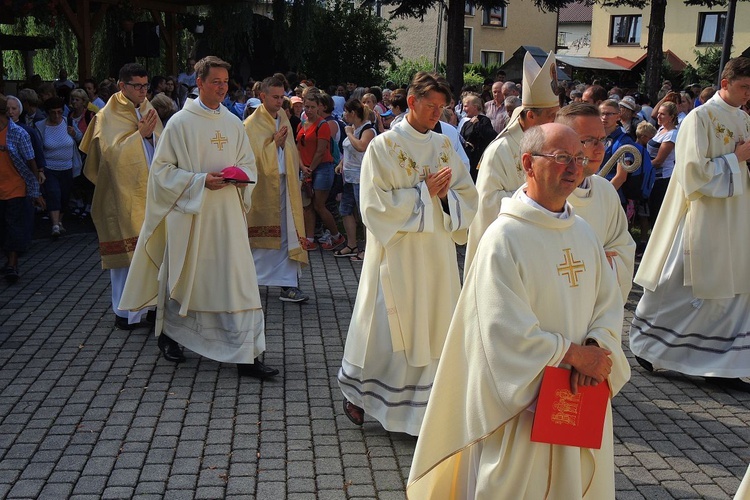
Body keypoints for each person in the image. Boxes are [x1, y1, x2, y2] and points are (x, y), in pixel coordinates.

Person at [407, 123, 630, 499]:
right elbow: (502, 330)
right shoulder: (504, 238)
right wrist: (575, 355)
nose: (574, 168)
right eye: (561, 158)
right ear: (528, 163)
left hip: (578, 394)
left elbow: (608, 303)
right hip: (523, 407)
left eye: (578, 158)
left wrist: (597, 346)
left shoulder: (584, 233)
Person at [119, 56, 277, 380]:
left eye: (225, 82)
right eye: (215, 81)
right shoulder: (179, 123)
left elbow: (248, 164)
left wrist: (239, 176)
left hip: (228, 215)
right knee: (187, 278)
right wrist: (200, 180)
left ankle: (247, 353)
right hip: (192, 214)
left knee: (237, 280)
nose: (221, 87)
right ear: (199, 83)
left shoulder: (234, 123)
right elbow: (161, 173)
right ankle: (170, 335)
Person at [337, 72, 477, 435]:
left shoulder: (445, 146)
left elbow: (468, 198)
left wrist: (445, 198)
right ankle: (363, 394)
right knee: (385, 327)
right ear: (411, 103)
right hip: (395, 255)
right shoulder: (383, 147)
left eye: (442, 108)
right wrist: (423, 193)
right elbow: (373, 207)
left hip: (437, 256)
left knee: (435, 327)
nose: (437, 114)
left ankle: (425, 412)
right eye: (430, 106)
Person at [629, 56, 750, 392]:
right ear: (725, 84)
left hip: (736, 217)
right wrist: (736, 158)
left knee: (735, 286)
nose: (748, 95)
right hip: (702, 216)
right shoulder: (699, 118)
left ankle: (724, 362)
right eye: (744, 88)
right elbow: (692, 173)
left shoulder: (742, 118)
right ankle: (651, 344)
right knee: (682, 284)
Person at [81, 62, 162, 330]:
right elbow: (111, 158)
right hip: (121, 197)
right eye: (136, 86)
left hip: (151, 193)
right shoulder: (106, 116)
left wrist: (149, 138)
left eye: (145, 85)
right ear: (121, 86)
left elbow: (163, 146)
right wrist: (140, 136)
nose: (142, 91)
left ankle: (150, 306)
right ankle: (125, 313)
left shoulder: (149, 109)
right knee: (126, 259)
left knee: (151, 254)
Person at [465, 51, 561, 271]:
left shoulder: (549, 146)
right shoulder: (500, 151)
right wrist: (535, 199)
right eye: (550, 116)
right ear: (530, 116)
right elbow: (486, 203)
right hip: (506, 246)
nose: (555, 122)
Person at [556, 102, 636, 303]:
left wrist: (598, 267)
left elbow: (623, 246)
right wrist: (596, 261)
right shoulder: (545, 194)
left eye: (603, 140)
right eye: (589, 141)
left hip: (598, 307)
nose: (600, 149)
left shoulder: (605, 191)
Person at [244, 76, 310, 303]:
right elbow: (251, 160)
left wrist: (282, 147)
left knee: (287, 236)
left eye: (282, 97)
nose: (280, 101)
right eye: (275, 97)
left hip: (286, 186)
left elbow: (291, 150)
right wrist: (275, 146)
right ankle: (247, 282)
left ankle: (287, 285)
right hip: (264, 191)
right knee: (261, 241)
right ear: (262, 96)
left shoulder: (283, 117)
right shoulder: (251, 124)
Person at [0, 95, 43, 284]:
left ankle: (12, 263)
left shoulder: (18, 133)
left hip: (15, 188)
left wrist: (35, 190)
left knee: (13, 227)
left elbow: (31, 161)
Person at [296, 92, 345, 251]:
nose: (309, 110)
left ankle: (336, 236)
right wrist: (303, 167)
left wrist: (310, 169)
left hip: (322, 167)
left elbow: (320, 150)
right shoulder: (301, 124)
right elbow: (297, 148)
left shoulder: (322, 125)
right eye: (306, 106)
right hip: (307, 168)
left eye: (312, 107)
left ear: (319, 107)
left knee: (319, 204)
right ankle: (310, 238)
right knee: (308, 205)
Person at [333, 98, 376, 262]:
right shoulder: (353, 128)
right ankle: (351, 244)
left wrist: (349, 133)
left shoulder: (367, 129)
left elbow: (361, 147)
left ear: (352, 113)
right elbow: (350, 150)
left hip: (362, 178)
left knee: (363, 212)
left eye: (346, 111)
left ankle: (368, 249)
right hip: (349, 177)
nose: (344, 114)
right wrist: (341, 163)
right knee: (346, 210)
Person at [35, 97, 82, 238]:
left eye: (59, 112)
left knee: (64, 196)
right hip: (50, 168)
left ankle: (59, 222)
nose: (56, 116)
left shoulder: (68, 122)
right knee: (53, 194)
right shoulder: (40, 126)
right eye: (53, 113)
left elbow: (81, 138)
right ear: (47, 113)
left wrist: (75, 134)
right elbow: (37, 148)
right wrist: (40, 169)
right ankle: (55, 224)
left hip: (68, 167)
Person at [646, 101, 679, 224]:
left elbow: (659, 161)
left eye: (663, 114)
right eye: (659, 113)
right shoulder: (661, 129)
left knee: (658, 212)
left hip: (663, 178)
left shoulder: (671, 135)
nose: (658, 116)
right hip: (653, 176)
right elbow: (653, 114)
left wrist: (641, 167)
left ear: (671, 117)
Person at [459, 93, 496, 182]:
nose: (464, 109)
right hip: (467, 156)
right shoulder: (465, 122)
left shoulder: (483, 120)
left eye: (466, 106)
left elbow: (490, 135)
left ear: (475, 107)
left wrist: (477, 124)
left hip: (478, 157)